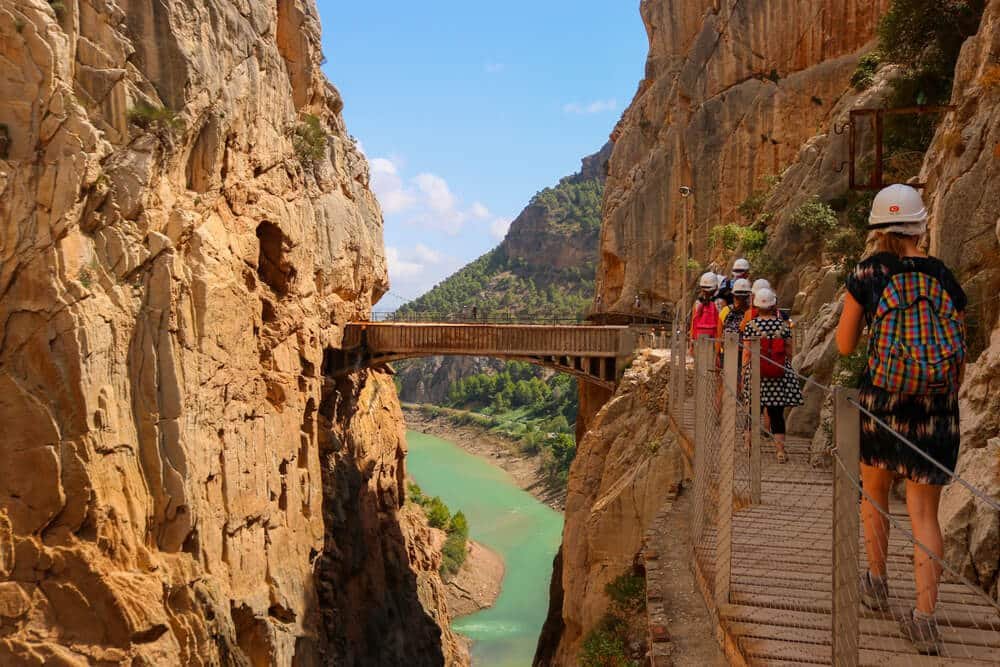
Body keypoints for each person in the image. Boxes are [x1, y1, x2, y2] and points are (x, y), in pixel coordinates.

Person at [835, 184, 966, 655]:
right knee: (925, 513)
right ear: (919, 224)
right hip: (935, 410)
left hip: (883, 405)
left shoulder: (867, 273)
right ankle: (926, 618)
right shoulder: (942, 275)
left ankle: (875, 581)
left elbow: (846, 346)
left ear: (878, 227)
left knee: (875, 492)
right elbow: (959, 354)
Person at [742, 287, 802, 463]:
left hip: (757, 376)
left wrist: (744, 371)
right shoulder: (783, 326)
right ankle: (780, 451)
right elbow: (789, 350)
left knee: (753, 412)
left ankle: (747, 445)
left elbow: (746, 353)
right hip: (778, 375)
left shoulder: (751, 326)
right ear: (774, 304)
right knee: (777, 414)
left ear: (756, 306)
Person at [716, 278, 752, 362]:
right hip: (729, 353)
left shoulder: (750, 313)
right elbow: (718, 335)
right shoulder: (725, 311)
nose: (740, 300)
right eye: (738, 297)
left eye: (742, 297)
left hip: (746, 354)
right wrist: (717, 355)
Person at [689, 272, 720, 352]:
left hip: (699, 342)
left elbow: (693, 325)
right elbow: (721, 326)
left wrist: (691, 344)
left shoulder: (697, 303)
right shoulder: (720, 303)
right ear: (716, 287)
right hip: (714, 342)